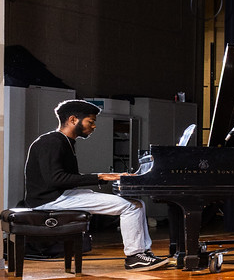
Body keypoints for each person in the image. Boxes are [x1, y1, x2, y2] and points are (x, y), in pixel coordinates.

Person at [22, 99, 170, 271]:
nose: (93, 126)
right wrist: (102, 177)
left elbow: (66, 178)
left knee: (138, 204)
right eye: (90, 122)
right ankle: (135, 256)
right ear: (72, 120)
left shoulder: (65, 142)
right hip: (49, 200)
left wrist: (107, 177)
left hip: (58, 196)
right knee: (131, 207)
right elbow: (56, 179)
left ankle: (144, 252)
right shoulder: (52, 142)